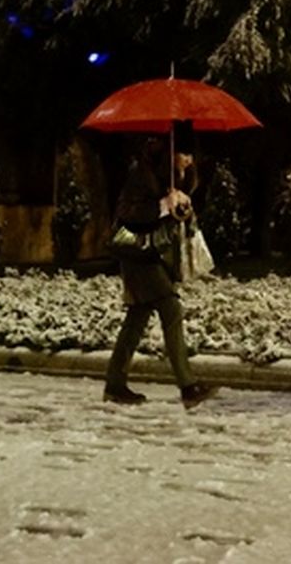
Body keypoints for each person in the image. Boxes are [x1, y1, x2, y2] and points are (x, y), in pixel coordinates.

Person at [103, 136, 216, 409]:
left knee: (137, 318)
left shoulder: (178, 179)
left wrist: (183, 209)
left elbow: (173, 222)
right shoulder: (142, 175)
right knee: (171, 308)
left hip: (158, 255)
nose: (189, 162)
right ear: (171, 153)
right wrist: (163, 205)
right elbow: (127, 213)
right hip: (139, 254)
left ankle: (115, 385)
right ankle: (188, 387)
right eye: (184, 155)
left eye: (191, 157)